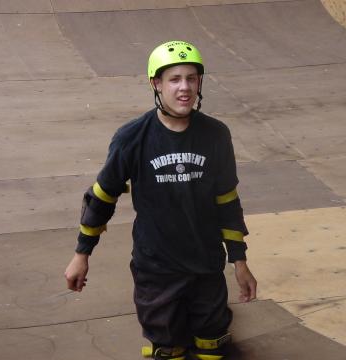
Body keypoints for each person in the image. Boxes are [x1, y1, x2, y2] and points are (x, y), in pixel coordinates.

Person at [64, 40, 257, 360]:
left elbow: (227, 200)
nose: (185, 88)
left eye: (192, 78)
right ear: (156, 83)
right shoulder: (132, 138)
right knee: (168, 349)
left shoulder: (216, 135)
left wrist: (239, 262)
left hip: (206, 267)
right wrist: (81, 254)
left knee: (212, 345)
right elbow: (102, 196)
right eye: (174, 79)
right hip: (156, 270)